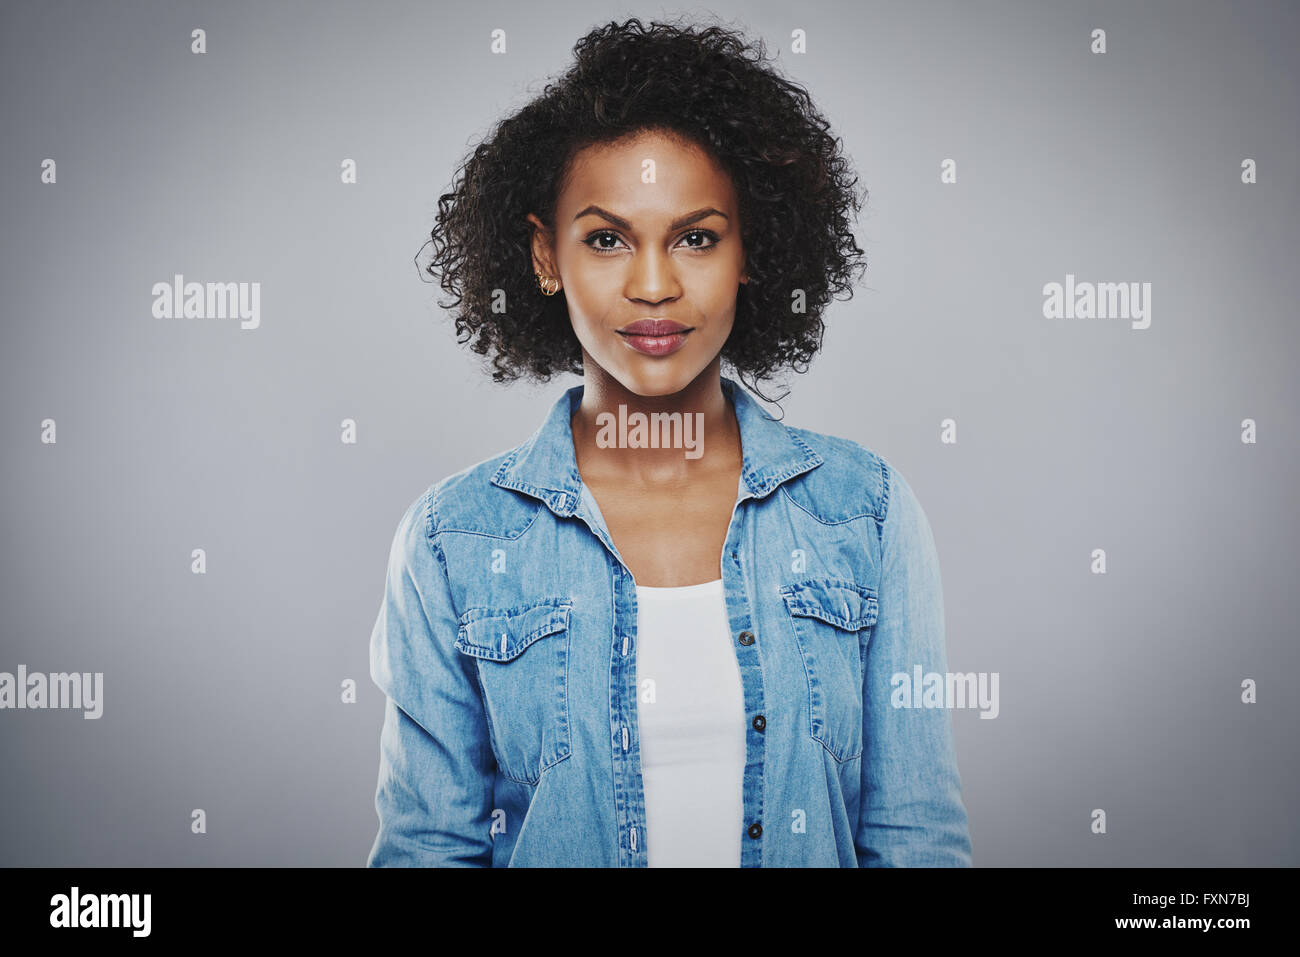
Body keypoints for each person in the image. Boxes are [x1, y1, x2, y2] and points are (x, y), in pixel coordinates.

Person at [366, 16, 972, 867]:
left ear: (748, 252)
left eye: (696, 237)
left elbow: (916, 842)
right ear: (546, 256)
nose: (654, 285)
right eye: (607, 239)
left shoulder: (864, 513)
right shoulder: (452, 542)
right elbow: (428, 851)